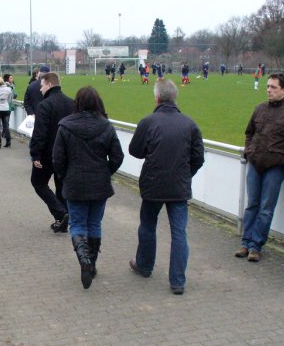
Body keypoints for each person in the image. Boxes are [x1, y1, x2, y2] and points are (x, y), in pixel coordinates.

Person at [128, 79, 205, 295]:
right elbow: (198, 157)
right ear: (175, 97)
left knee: (148, 225)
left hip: (153, 184)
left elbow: (135, 150)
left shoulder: (148, 122)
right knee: (179, 233)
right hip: (179, 187)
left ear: (157, 98)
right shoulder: (189, 124)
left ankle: (144, 265)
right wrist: (185, 174)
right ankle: (177, 281)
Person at [53, 86, 124, 289]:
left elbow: (58, 158)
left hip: (75, 183)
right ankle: (91, 263)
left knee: (77, 224)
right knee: (94, 223)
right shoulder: (106, 126)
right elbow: (118, 157)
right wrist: (105, 172)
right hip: (99, 184)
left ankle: (84, 260)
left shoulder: (65, 126)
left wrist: (64, 176)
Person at [235, 73, 284, 262]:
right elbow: (249, 132)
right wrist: (250, 151)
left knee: (266, 208)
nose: (269, 90)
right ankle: (246, 242)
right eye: (268, 86)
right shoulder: (259, 109)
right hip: (255, 163)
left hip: (275, 167)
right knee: (252, 205)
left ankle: (256, 245)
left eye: (273, 87)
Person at [29, 72, 73, 232]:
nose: (40, 89)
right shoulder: (72, 103)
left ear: (48, 84)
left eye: (41, 85)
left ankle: (61, 214)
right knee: (61, 186)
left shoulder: (45, 105)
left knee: (38, 183)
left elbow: (40, 133)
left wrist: (35, 154)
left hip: (48, 154)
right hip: (66, 153)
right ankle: (63, 220)